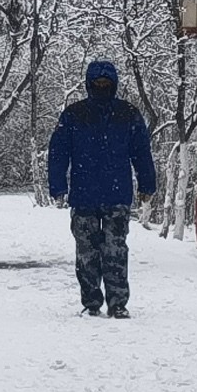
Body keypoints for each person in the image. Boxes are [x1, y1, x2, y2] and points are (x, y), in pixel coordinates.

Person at [43, 60, 161, 318]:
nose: (102, 87)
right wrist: (58, 185)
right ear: (89, 84)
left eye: (106, 84)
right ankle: (91, 302)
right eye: (97, 83)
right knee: (86, 252)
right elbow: (58, 151)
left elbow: (141, 152)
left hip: (116, 197)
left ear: (114, 85)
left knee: (115, 250)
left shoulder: (127, 114)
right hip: (84, 196)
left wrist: (147, 183)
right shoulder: (74, 115)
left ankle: (118, 303)